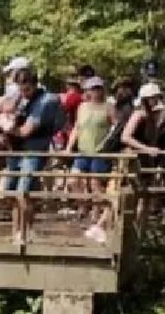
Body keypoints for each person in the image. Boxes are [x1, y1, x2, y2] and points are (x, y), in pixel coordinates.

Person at [0, 70, 63, 243]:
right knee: (10, 192)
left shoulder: (45, 101)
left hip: (33, 151)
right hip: (16, 151)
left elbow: (27, 130)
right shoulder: (21, 99)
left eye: (26, 87)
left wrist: (8, 128)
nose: (23, 91)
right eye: (20, 87)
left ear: (34, 84)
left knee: (23, 191)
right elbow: (5, 109)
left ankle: (25, 231)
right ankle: (16, 231)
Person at [67, 76, 114, 243]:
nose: (94, 92)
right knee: (73, 180)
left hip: (99, 152)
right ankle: (84, 204)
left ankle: (97, 217)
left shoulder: (108, 107)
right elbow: (77, 127)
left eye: (97, 88)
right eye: (91, 89)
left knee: (96, 185)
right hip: (83, 150)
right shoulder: (82, 107)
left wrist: (107, 144)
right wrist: (68, 147)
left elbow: (115, 128)